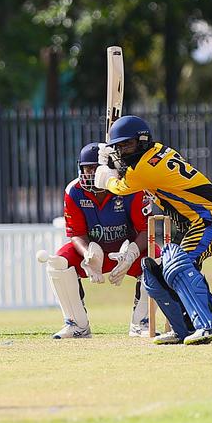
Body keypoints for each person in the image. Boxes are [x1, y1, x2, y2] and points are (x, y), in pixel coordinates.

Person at [94, 116, 212, 345]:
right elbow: (131, 171)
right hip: (191, 222)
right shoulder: (156, 151)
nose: (122, 151)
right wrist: (113, 163)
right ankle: (184, 330)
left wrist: (105, 174)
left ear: (142, 141)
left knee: (177, 266)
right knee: (153, 273)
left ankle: (210, 325)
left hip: (210, 217)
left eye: (126, 145)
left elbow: (119, 187)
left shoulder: (143, 170)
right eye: (118, 147)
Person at [40, 142, 150, 339]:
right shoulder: (73, 191)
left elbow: (146, 230)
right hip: (93, 256)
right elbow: (76, 233)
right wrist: (88, 254)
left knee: (157, 259)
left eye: (97, 167)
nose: (91, 173)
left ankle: (141, 323)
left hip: (126, 253)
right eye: (87, 168)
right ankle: (77, 325)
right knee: (57, 263)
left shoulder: (129, 187)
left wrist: (132, 253)